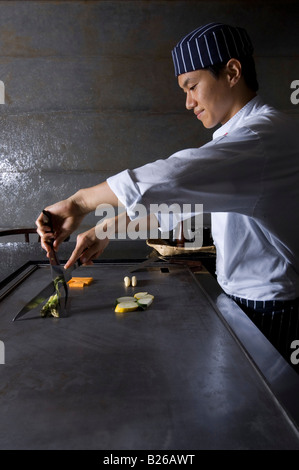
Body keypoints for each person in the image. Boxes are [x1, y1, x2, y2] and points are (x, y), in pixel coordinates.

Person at [36, 22, 299, 370]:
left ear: (232, 71)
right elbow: (180, 203)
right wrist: (106, 230)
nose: (188, 102)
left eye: (192, 86)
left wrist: (79, 202)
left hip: (271, 313)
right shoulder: (239, 140)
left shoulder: (262, 138)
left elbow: (173, 175)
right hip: (244, 304)